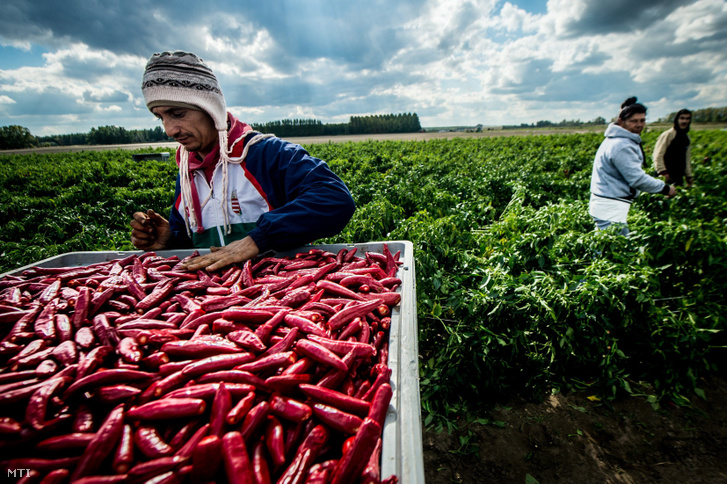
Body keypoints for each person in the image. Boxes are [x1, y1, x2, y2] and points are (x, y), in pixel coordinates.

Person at [130, 51, 356, 271]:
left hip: (278, 295)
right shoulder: (188, 172)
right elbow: (199, 253)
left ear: (211, 109)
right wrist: (170, 243)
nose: (170, 130)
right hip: (214, 302)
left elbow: (335, 198)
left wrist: (258, 239)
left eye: (178, 114)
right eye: (160, 117)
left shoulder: (266, 154)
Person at [589, 97, 676, 236]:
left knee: (607, 247)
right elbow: (637, 179)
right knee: (614, 249)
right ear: (621, 122)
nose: (639, 124)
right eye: (633, 121)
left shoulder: (617, 139)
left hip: (607, 203)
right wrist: (665, 189)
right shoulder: (621, 145)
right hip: (610, 205)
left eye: (642, 120)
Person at [653, 108, 693, 187]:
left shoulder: (686, 138)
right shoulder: (668, 134)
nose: (684, 121)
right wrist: (663, 172)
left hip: (678, 176)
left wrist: (689, 176)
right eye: (682, 118)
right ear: (677, 119)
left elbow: (686, 159)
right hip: (665, 175)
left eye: (687, 118)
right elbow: (658, 155)